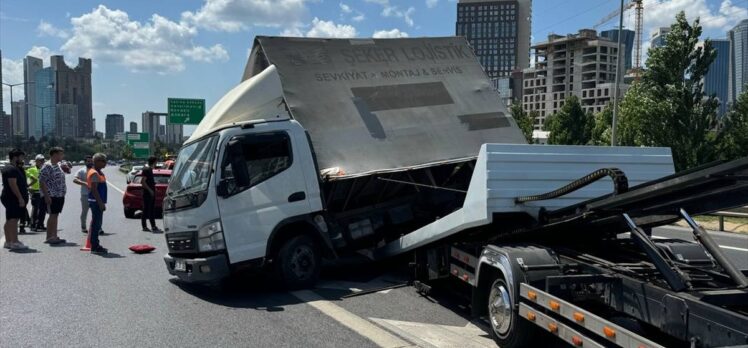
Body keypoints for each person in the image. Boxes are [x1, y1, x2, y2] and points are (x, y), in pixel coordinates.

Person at [2, 149, 29, 251]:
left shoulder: (14, 168)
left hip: (11, 197)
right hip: (12, 197)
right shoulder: (11, 169)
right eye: (21, 157)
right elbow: (13, 184)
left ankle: (8, 241)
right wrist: (20, 198)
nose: (23, 159)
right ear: (15, 157)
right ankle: (14, 242)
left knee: (10, 219)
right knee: (13, 219)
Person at [38, 147, 67, 245]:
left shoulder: (58, 165)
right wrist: (46, 195)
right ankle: (50, 237)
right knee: (52, 215)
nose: (62, 156)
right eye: (61, 154)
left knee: (55, 215)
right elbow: (42, 181)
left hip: (59, 194)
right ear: (55, 154)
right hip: (51, 195)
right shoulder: (47, 166)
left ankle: (53, 235)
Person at [73, 156, 104, 234]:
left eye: (91, 161)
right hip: (85, 195)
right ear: (85, 162)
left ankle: (98, 228)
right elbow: (75, 179)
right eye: (88, 161)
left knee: (97, 212)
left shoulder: (96, 171)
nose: (90, 162)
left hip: (95, 195)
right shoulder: (81, 171)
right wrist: (85, 183)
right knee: (85, 212)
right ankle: (83, 227)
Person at [87, 153, 108, 254]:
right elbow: (94, 190)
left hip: (96, 201)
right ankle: (95, 246)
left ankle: (95, 244)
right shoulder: (95, 173)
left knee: (97, 223)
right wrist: (101, 203)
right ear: (97, 161)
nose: (105, 163)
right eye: (103, 161)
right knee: (96, 224)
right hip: (96, 202)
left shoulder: (99, 172)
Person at [26, 155, 46, 232]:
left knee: (43, 209)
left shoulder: (45, 169)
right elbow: (25, 179)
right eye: (40, 160)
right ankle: (33, 225)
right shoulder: (31, 169)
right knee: (35, 209)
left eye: (43, 160)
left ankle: (40, 224)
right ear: (36, 161)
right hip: (35, 191)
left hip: (44, 191)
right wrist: (28, 187)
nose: (42, 162)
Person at [141, 156, 160, 232]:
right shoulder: (146, 170)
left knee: (152, 210)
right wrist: (150, 190)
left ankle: (153, 226)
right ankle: (144, 226)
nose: (156, 163)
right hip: (147, 193)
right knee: (146, 209)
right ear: (154, 161)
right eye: (156, 162)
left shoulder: (150, 170)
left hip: (151, 193)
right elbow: (143, 182)